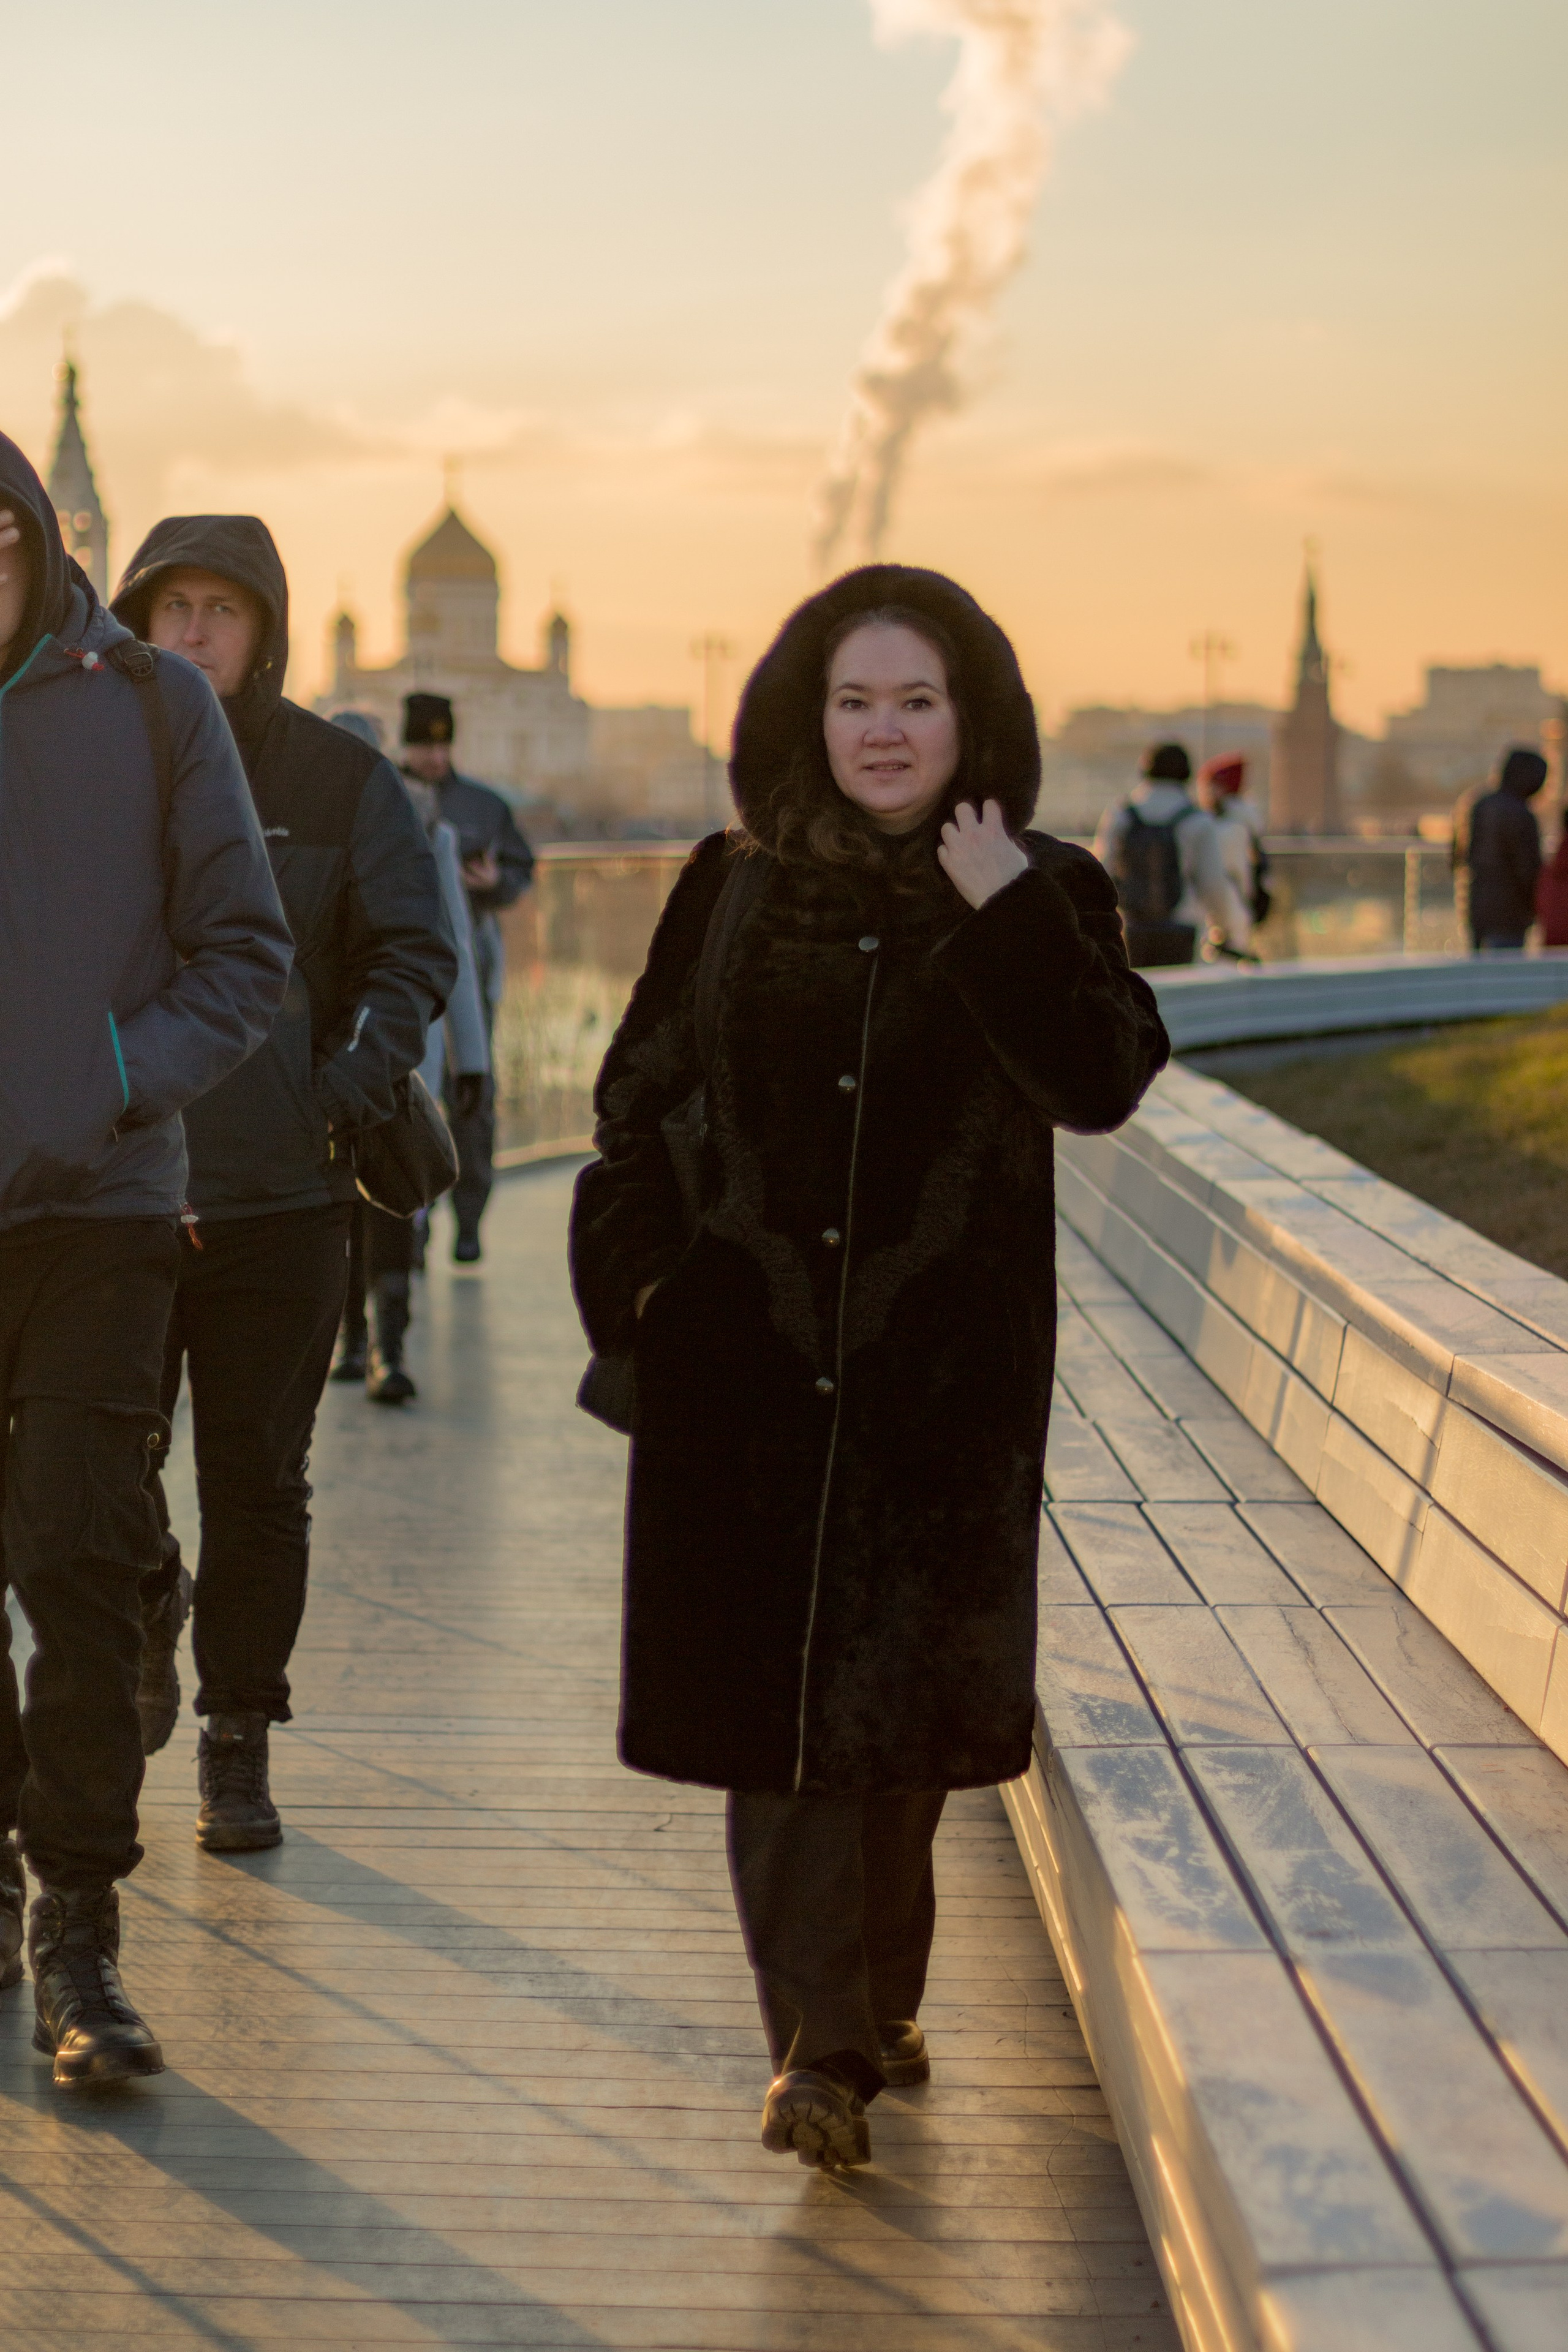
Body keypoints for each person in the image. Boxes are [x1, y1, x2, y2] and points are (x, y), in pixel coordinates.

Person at [570, 565, 1167, 2170]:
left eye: (914, 701)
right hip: (746, 1376)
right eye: (853, 701)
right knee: (775, 1728)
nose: (881, 732)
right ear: (805, 717)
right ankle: (816, 2050)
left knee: (898, 1730)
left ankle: (879, 2000)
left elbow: (1101, 1080)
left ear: (970, 721)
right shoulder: (733, 885)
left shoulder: (1045, 887)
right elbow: (637, 1098)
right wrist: (643, 1297)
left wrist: (1006, 911)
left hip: (937, 1391)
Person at [0, 444, 292, 2084]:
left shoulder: (155, 709)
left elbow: (244, 953)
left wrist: (104, 1078)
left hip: (101, 1209)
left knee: (76, 1554)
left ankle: (79, 1930)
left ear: (41, 546)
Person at [110, 519, 456, 1854]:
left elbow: (410, 951)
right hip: (114, 1199)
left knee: (258, 1483)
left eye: (222, 609)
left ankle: (237, 1736)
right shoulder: (85, 765)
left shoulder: (338, 777)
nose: (194, 632)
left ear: (265, 628)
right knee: (96, 1472)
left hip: (282, 1201)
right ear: (136, 621)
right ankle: (151, 1596)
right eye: (172, 608)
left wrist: (340, 1092)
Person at [328, 710, 489, 1403]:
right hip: (320, 1053)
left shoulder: (424, 829)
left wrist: (471, 1058)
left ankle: (386, 1344)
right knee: (337, 1202)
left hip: (396, 1053)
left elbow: (452, 951)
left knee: (390, 1193)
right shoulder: (289, 826)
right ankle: (353, 1337)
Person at [401, 693, 534, 1261]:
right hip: (407, 977)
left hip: (471, 977)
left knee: (472, 1096)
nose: (434, 757)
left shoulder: (484, 805)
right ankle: (413, 1221)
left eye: (442, 745)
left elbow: (520, 869)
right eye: (423, 745)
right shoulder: (384, 796)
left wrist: (493, 883)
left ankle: (470, 1219)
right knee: (411, 1100)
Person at [1094, 742, 1251, 967]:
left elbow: (1101, 875)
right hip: (1182, 929)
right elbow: (1213, 885)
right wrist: (1227, 928)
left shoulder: (1120, 815)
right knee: (1178, 989)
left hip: (1132, 931)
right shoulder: (1197, 820)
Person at [1454, 747, 1548, 952]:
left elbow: (1459, 856)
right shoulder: (1521, 815)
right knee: (1506, 963)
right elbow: (1527, 870)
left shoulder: (1478, 805)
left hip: (1478, 907)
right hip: (1510, 912)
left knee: (1481, 965)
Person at [1196, 752, 1270, 946]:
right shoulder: (1243, 822)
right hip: (1238, 912)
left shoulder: (1226, 829)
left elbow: (1222, 878)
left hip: (1226, 919)